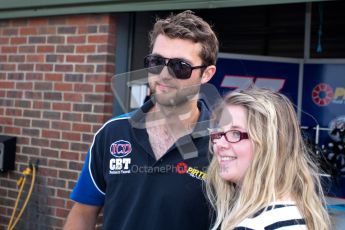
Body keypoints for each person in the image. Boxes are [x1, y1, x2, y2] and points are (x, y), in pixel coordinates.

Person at [64, 10, 218, 230]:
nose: (164, 74)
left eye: (180, 67)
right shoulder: (112, 133)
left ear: (206, 74)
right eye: (156, 61)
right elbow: (82, 214)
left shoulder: (224, 142)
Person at [206, 88, 331, 230]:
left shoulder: (264, 222)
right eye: (219, 132)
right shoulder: (289, 212)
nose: (219, 144)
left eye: (235, 133)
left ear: (270, 144)